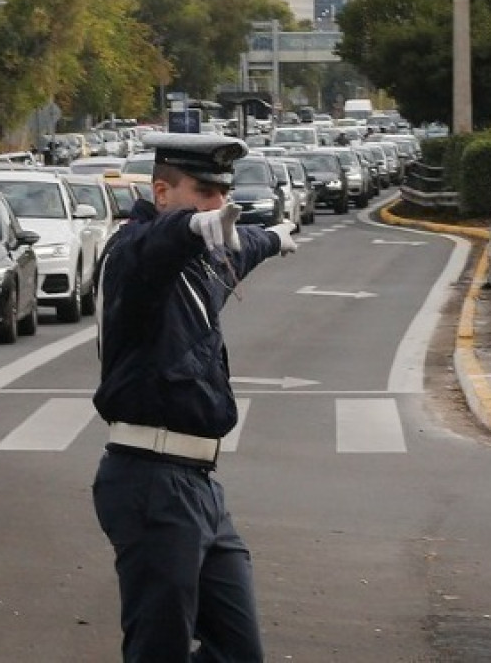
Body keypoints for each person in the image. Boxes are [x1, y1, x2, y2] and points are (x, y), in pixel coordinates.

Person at [91, 132, 298, 662]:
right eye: (204, 192)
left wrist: (272, 238)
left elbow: (239, 245)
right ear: (162, 193)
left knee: (237, 649)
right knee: (158, 650)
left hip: (199, 484)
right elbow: (152, 247)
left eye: (222, 194)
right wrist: (189, 227)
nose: (218, 205)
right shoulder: (135, 257)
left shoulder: (205, 258)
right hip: (150, 480)